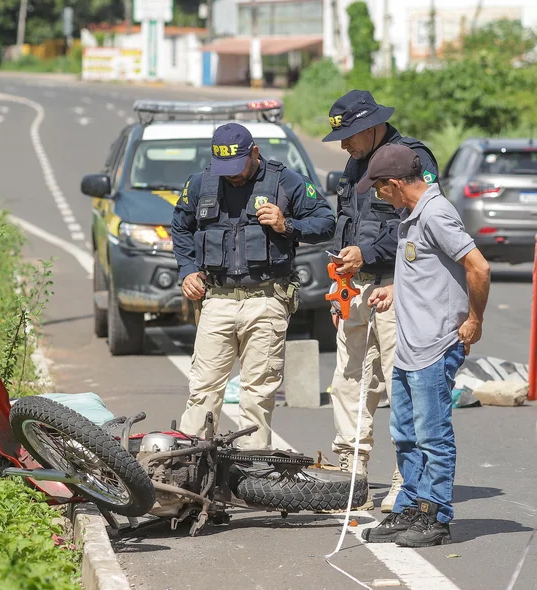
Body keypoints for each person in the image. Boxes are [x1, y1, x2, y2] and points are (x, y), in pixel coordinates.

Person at [171, 122, 336, 450]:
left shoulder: (286, 182)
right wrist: (188, 270)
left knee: (257, 395)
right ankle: (189, 469)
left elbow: (326, 223)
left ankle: (251, 472)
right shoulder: (201, 183)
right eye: (225, 168)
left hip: (267, 299)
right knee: (203, 390)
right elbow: (180, 226)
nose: (231, 176)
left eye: (238, 167)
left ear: (255, 153)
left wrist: (286, 224)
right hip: (216, 299)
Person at [359, 143, 490, 548]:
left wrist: (474, 319)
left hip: (434, 346)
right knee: (404, 434)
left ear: (396, 184)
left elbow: (477, 267)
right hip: (409, 346)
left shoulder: (435, 213)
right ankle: (412, 507)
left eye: (380, 187)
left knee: (432, 435)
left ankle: (436, 516)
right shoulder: (411, 215)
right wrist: (393, 290)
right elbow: (430, 270)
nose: (378, 194)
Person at [321, 89, 442, 512]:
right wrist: (339, 283)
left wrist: (368, 255)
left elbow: (423, 224)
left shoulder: (412, 159)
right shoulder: (354, 165)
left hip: (397, 287)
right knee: (350, 382)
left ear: (373, 127)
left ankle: (404, 477)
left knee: (399, 385)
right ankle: (352, 476)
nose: (344, 144)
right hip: (354, 290)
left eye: (351, 135)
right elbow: (346, 225)